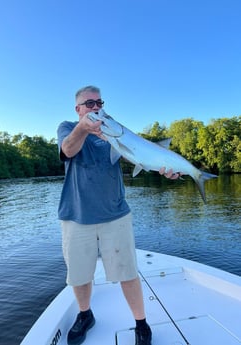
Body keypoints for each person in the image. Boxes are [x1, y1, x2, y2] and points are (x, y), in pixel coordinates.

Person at [57, 85, 181, 345]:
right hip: (76, 215)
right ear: (78, 109)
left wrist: (166, 167)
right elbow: (68, 150)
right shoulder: (67, 127)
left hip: (116, 214)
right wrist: (84, 128)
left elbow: (143, 155)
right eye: (89, 104)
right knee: (79, 275)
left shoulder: (114, 131)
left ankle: (141, 323)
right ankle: (85, 315)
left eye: (99, 103)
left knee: (127, 272)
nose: (95, 108)